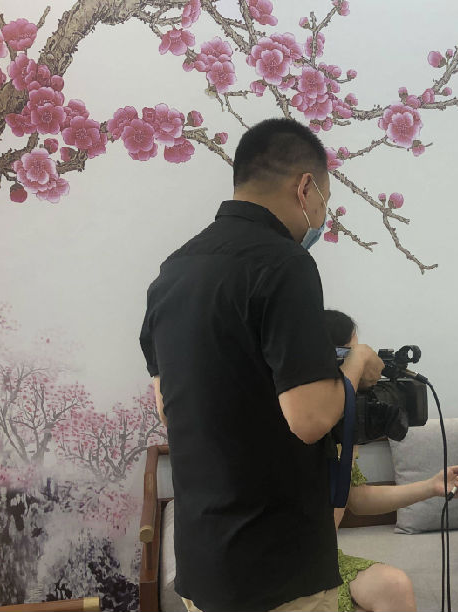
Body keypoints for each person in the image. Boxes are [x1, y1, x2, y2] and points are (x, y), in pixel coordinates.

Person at [139, 118, 385, 612]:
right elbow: (310, 418)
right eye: (325, 199)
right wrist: (357, 362)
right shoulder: (285, 263)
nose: (322, 214)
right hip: (275, 565)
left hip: (204, 559)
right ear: (305, 187)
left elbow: (168, 407)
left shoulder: (173, 271)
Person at [323, 309, 458, 612]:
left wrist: (431, 486)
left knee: (394, 586)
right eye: (349, 358)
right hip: (286, 569)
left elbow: (357, 499)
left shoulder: (339, 431)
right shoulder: (298, 426)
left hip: (324, 560)